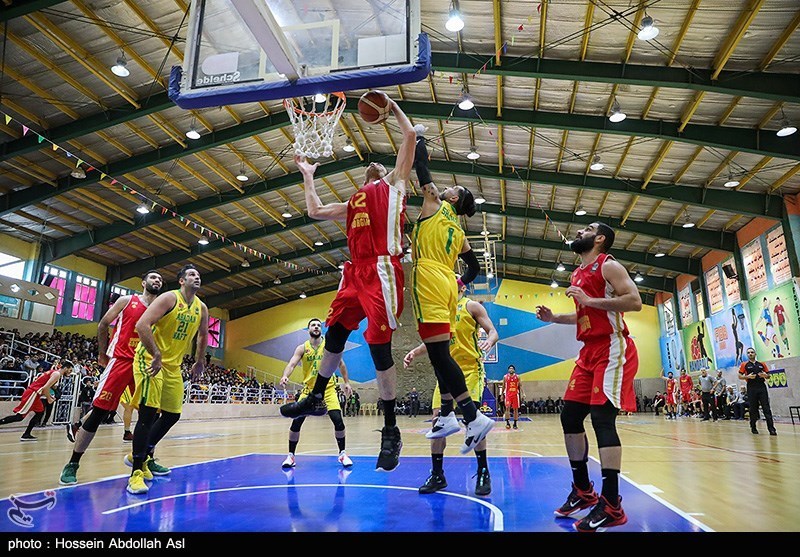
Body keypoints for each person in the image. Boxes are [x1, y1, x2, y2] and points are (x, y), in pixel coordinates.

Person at [280, 96, 416, 472]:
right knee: (335, 332)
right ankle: (316, 396)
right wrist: (308, 175)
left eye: (381, 164)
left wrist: (391, 106)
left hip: (383, 270)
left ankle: (391, 429)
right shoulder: (355, 200)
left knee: (379, 348)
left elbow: (409, 136)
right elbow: (314, 210)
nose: (376, 164)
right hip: (355, 273)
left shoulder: (394, 185)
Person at [535, 222, 642, 532]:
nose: (580, 231)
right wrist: (555, 317)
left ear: (599, 239)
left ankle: (612, 504)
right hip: (588, 352)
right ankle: (583, 490)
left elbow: (634, 301)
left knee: (602, 419)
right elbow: (584, 314)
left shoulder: (608, 265)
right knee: (570, 416)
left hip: (612, 346)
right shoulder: (577, 274)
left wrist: (590, 300)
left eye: (588, 228)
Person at [406, 125, 494, 456]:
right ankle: (447, 415)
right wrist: (458, 282)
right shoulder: (458, 231)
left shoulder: (434, 203)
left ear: (453, 199)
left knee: (440, 354)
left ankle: (471, 417)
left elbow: (421, 166)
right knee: (439, 352)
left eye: (451, 188)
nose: (444, 188)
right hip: (446, 283)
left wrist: (418, 137)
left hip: (429, 277)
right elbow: (474, 268)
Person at [59, 271, 163, 485]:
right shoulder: (127, 301)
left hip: (144, 364)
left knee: (151, 416)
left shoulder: (161, 308)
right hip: (121, 360)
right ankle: (73, 463)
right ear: (143, 282)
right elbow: (103, 324)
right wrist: (101, 353)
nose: (157, 281)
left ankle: (146, 459)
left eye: (160, 279)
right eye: (153, 278)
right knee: (99, 412)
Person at [403, 279, 499, 496]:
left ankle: (483, 471)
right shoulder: (440, 310)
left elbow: (493, 331)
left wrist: (490, 341)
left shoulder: (472, 306)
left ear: (462, 287)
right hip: (446, 372)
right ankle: (437, 474)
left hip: (469, 370)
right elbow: (433, 342)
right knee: (437, 421)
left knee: (473, 420)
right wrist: (414, 352)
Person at [125, 264, 209, 494]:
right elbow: (142, 325)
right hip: (149, 360)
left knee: (172, 414)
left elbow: (203, 335)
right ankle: (136, 473)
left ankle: (140, 454)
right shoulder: (169, 298)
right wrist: (156, 354)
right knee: (147, 414)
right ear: (181, 281)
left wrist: (199, 361)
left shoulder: (201, 307)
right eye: (191, 274)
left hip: (173, 366)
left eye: (198, 275)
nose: (196, 277)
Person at [279, 318, 353, 470]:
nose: (316, 327)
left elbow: (341, 364)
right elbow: (292, 364)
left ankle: (342, 453)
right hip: (309, 390)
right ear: (308, 330)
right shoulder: (302, 348)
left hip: (328, 389)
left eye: (319, 325)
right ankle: (291, 456)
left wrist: (346, 382)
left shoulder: (328, 346)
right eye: (313, 325)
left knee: (338, 420)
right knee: (296, 422)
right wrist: (285, 375)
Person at [0, 360, 74, 441]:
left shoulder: (53, 372)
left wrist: (52, 393)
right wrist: (49, 398)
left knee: (40, 412)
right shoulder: (57, 374)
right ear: (66, 368)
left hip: (35, 394)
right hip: (32, 394)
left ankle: (26, 434)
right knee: (19, 417)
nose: (70, 372)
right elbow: (45, 387)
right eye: (70, 370)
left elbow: (45, 385)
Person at [738, 347, 777, 435]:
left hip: (761, 387)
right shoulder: (744, 365)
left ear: (755, 354)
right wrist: (747, 377)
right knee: (753, 409)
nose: (750, 354)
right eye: (748, 353)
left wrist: (765, 375)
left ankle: (771, 429)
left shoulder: (762, 364)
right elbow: (739, 376)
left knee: (766, 408)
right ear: (747, 355)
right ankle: (753, 426)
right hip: (751, 388)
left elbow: (768, 375)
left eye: (752, 352)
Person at [503, 365, 523, 429]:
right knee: (507, 408)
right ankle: (507, 423)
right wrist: (501, 394)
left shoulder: (517, 377)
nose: (511, 369)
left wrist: (523, 393)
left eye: (512, 369)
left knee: (515, 409)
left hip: (515, 395)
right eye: (510, 368)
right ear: (508, 370)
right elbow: (503, 386)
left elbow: (520, 385)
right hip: (508, 395)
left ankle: (515, 424)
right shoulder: (505, 377)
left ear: (514, 370)